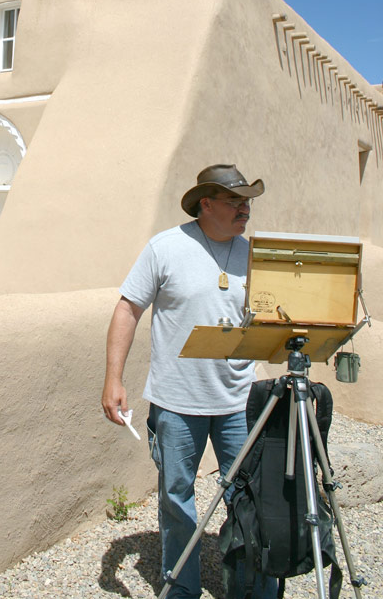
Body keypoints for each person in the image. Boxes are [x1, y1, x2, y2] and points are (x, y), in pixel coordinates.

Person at [101, 164, 277, 599]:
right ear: (206, 204)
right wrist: (113, 378)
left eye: (248, 200)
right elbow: (128, 309)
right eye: (236, 200)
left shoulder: (253, 255)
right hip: (176, 403)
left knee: (247, 498)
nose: (245, 208)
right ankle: (182, 587)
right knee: (177, 500)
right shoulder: (165, 247)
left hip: (239, 402)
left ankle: (250, 589)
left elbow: (267, 321)